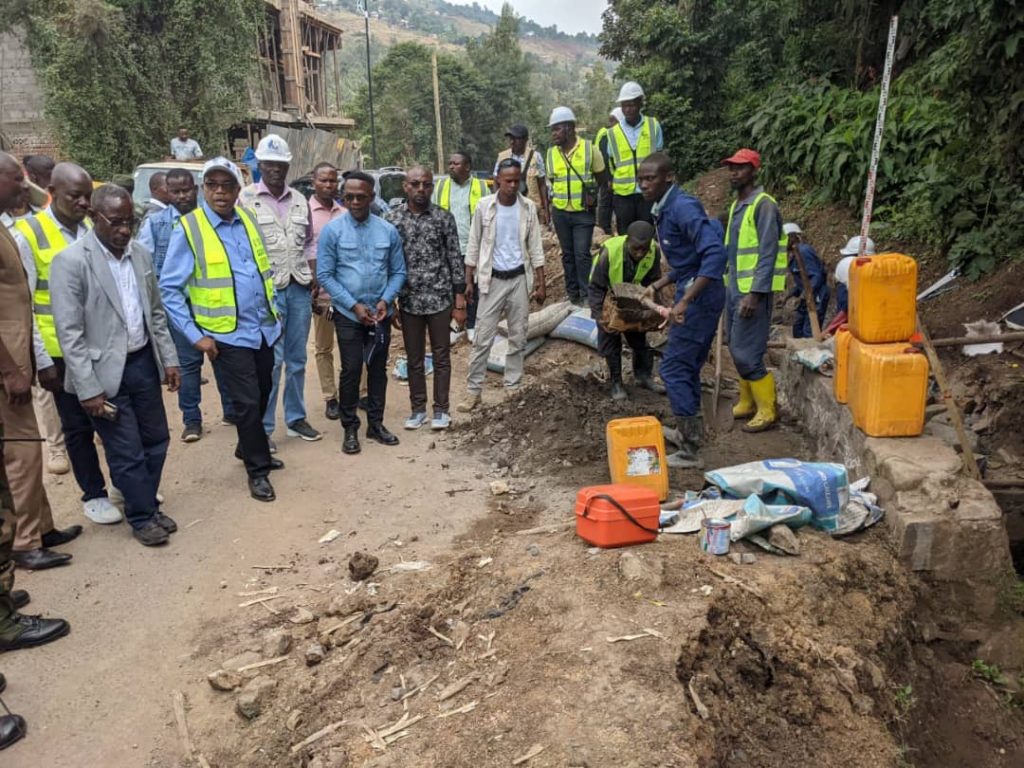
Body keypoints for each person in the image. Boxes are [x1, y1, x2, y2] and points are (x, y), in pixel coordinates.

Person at [50, 185, 181, 547]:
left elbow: (155, 313)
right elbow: (70, 333)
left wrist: (168, 359)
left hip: (141, 363)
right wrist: (88, 387)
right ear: (95, 217)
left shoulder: (139, 255)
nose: (125, 230)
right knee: (126, 449)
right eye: (117, 222)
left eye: (131, 222)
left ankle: (145, 504)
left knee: (157, 439)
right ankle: (142, 516)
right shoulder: (72, 262)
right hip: (102, 374)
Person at [160, 157, 284, 503]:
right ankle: (257, 470)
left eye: (226, 184)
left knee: (262, 392)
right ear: (203, 189)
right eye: (212, 185)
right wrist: (194, 334)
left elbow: (261, 269)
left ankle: (248, 446)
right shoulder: (189, 228)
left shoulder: (246, 218)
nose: (219, 192)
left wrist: (276, 316)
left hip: (262, 328)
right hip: (225, 333)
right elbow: (169, 289)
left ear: (236, 189)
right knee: (245, 401)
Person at [13, 163, 121, 525]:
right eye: (75, 196)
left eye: (87, 195)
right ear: (51, 192)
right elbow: (25, 301)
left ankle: (125, 483)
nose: (83, 202)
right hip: (61, 352)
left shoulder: (93, 227)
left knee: (116, 421)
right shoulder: (30, 234)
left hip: (103, 347)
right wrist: (42, 361)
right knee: (77, 428)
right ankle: (94, 494)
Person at [0, 153, 81, 570]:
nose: (23, 185)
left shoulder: (5, 227)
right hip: (8, 367)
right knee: (22, 456)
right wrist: (13, 369)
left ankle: (43, 528)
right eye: (16, 179)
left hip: (20, 357)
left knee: (28, 447)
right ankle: (25, 543)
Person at [638, 153, 727, 469]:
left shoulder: (681, 208)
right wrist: (659, 283)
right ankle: (690, 432)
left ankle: (690, 449)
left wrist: (686, 301)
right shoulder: (665, 210)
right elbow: (689, 261)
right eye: (641, 178)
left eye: (651, 178)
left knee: (674, 368)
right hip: (696, 294)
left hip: (701, 300)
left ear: (668, 178)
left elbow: (715, 255)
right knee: (686, 366)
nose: (644, 184)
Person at [137, 168, 236, 441]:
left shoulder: (212, 218)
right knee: (189, 366)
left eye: (186, 190)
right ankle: (191, 420)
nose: (182, 196)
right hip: (179, 307)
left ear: (196, 188)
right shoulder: (156, 224)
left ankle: (231, 410)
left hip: (216, 304)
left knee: (223, 359)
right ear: (166, 192)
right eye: (175, 191)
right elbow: (145, 265)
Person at [239, 135, 321, 448]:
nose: (274, 169)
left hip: (299, 289)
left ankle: (296, 418)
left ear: (288, 166)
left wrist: (314, 276)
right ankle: (264, 427)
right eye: (268, 164)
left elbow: (310, 241)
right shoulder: (245, 199)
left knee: (297, 359)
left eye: (280, 164)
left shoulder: (300, 200)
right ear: (259, 165)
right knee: (270, 363)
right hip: (266, 293)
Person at [318, 171, 406, 455]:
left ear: (372, 197)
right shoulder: (333, 231)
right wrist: (353, 305)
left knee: (378, 369)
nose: (355, 201)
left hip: (379, 313)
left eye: (361, 196)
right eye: (350, 197)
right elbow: (325, 275)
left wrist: (386, 300)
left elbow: (398, 271)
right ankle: (350, 427)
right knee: (352, 369)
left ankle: (376, 425)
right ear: (344, 197)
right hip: (348, 313)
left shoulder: (387, 231)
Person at [458, 159, 546, 412]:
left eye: (516, 180)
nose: (512, 185)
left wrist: (540, 284)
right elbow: (473, 245)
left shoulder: (528, 208)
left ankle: (512, 387)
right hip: (491, 280)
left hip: (519, 279)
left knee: (518, 337)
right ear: (497, 180)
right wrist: (468, 280)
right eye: (508, 180)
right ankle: (474, 392)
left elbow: (536, 248)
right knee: (482, 338)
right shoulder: (485, 207)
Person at [386, 166, 465, 430]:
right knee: (414, 357)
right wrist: (391, 302)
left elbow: (455, 259)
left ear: (432, 187)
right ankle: (417, 409)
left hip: (440, 300)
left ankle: (441, 410)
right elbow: (388, 264)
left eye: (426, 184)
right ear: (405, 186)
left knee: (442, 356)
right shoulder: (392, 219)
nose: (421, 189)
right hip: (409, 301)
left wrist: (459, 302)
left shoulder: (444, 218)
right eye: (415, 184)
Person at [722, 148, 786, 433]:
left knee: (746, 352)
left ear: (754, 170)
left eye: (740, 167)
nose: (733, 172)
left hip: (752, 293)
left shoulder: (764, 205)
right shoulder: (738, 205)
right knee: (735, 347)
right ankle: (747, 400)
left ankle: (768, 409)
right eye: (731, 168)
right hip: (735, 287)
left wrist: (756, 294)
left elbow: (767, 253)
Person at [588, 221, 666, 401]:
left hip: (634, 297)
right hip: (608, 298)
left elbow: (654, 282)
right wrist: (600, 316)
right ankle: (616, 382)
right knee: (611, 340)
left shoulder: (653, 252)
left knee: (640, 340)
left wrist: (653, 311)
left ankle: (643, 376)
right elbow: (595, 287)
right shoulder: (609, 253)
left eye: (643, 249)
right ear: (627, 242)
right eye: (635, 249)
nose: (640, 254)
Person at [546, 106, 608, 305]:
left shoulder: (590, 150)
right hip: (561, 211)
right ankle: (572, 294)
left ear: (570, 129)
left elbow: (602, 178)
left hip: (583, 213)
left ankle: (587, 295)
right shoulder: (551, 154)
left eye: (557, 129)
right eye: (552, 129)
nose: (553, 133)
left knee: (582, 254)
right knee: (567, 254)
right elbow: (553, 181)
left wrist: (590, 195)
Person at [432, 152, 489, 340]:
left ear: (467, 167)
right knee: (449, 288)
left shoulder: (481, 186)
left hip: (472, 246)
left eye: (455, 163)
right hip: (447, 247)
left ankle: (472, 324)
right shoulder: (440, 186)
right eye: (450, 163)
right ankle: (455, 327)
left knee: (472, 286)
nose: (451, 166)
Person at [308, 163, 346, 421]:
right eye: (324, 180)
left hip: (346, 293)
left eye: (333, 181)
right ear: (314, 182)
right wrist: (310, 283)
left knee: (351, 345)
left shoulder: (345, 212)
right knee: (324, 347)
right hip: (318, 292)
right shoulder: (304, 212)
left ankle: (358, 393)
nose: (329, 185)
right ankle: (330, 397)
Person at [606, 82, 664, 233]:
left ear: (640, 103)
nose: (627, 109)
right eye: (624, 105)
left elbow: (659, 158)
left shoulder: (653, 126)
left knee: (649, 234)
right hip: (623, 196)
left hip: (649, 192)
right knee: (626, 238)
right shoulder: (612, 133)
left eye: (631, 105)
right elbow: (611, 164)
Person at [493, 125, 549, 226]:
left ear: (525, 140)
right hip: (507, 208)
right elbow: (496, 181)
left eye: (516, 138)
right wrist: (496, 205)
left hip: (531, 208)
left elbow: (542, 184)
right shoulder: (502, 157)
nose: (512, 142)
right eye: (511, 138)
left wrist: (546, 210)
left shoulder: (536, 157)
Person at [783, 223, 829, 339]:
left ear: (792, 237)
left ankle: (811, 354)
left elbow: (816, 276)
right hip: (808, 296)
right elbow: (803, 280)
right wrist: (790, 295)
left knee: (809, 332)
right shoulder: (794, 255)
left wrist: (804, 295)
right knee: (798, 330)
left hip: (817, 295)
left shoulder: (803, 251)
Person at [595, 108, 623, 234]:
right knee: (606, 202)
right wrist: (609, 178)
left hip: (614, 176)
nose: (612, 123)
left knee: (611, 202)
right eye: (611, 120)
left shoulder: (614, 133)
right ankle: (604, 230)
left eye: (614, 120)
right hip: (608, 176)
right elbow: (605, 158)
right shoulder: (607, 134)